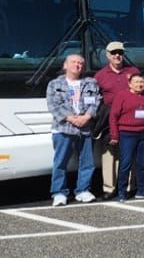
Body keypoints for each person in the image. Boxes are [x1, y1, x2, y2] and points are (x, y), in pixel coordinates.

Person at [46, 54, 100, 206]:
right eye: (74, 62)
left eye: (80, 63)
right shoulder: (54, 84)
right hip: (63, 128)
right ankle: (59, 192)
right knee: (61, 162)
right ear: (65, 65)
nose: (77, 65)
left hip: (85, 128)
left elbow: (96, 101)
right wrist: (71, 118)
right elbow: (53, 105)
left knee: (87, 162)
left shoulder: (91, 83)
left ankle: (83, 190)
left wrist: (87, 116)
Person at [94, 40, 141, 198]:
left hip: (130, 118)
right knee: (109, 154)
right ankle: (109, 188)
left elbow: (142, 89)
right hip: (108, 118)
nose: (117, 56)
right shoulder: (100, 75)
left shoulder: (133, 71)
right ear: (108, 55)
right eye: (114, 53)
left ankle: (128, 186)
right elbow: (95, 98)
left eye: (120, 52)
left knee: (128, 154)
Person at [109, 74, 144, 201]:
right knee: (126, 163)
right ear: (130, 84)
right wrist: (114, 134)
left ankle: (141, 190)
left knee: (143, 163)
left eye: (142, 82)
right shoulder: (122, 96)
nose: (140, 84)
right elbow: (113, 116)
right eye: (136, 82)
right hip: (127, 134)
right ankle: (121, 191)